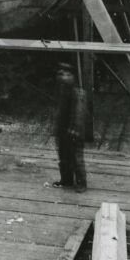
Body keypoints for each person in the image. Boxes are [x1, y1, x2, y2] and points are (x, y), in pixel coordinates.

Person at [53, 62, 88, 191]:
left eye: (67, 74)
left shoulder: (78, 92)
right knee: (63, 157)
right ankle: (66, 180)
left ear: (73, 77)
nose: (63, 77)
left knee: (76, 158)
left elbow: (79, 113)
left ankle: (81, 183)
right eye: (61, 74)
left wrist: (75, 129)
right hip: (63, 130)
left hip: (74, 131)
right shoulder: (62, 91)